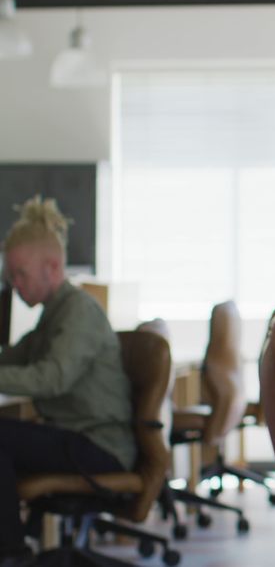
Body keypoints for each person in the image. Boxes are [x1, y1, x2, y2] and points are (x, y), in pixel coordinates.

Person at [0, 197, 134, 566]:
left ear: (52, 267)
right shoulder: (52, 316)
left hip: (99, 447)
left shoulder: (78, 312)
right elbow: (16, 357)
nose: (15, 284)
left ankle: (12, 554)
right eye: (11, 276)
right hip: (77, 437)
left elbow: (53, 377)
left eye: (21, 273)